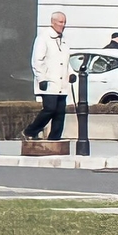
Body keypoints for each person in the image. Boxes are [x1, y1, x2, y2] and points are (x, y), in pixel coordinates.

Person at [28, 10, 72, 141]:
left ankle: (55, 139)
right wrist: (41, 78)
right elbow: (37, 60)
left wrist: (71, 74)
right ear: (53, 22)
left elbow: (66, 61)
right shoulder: (43, 38)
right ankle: (30, 131)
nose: (63, 25)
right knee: (49, 109)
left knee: (60, 113)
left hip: (61, 83)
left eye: (64, 22)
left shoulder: (63, 40)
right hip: (49, 81)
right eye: (60, 22)